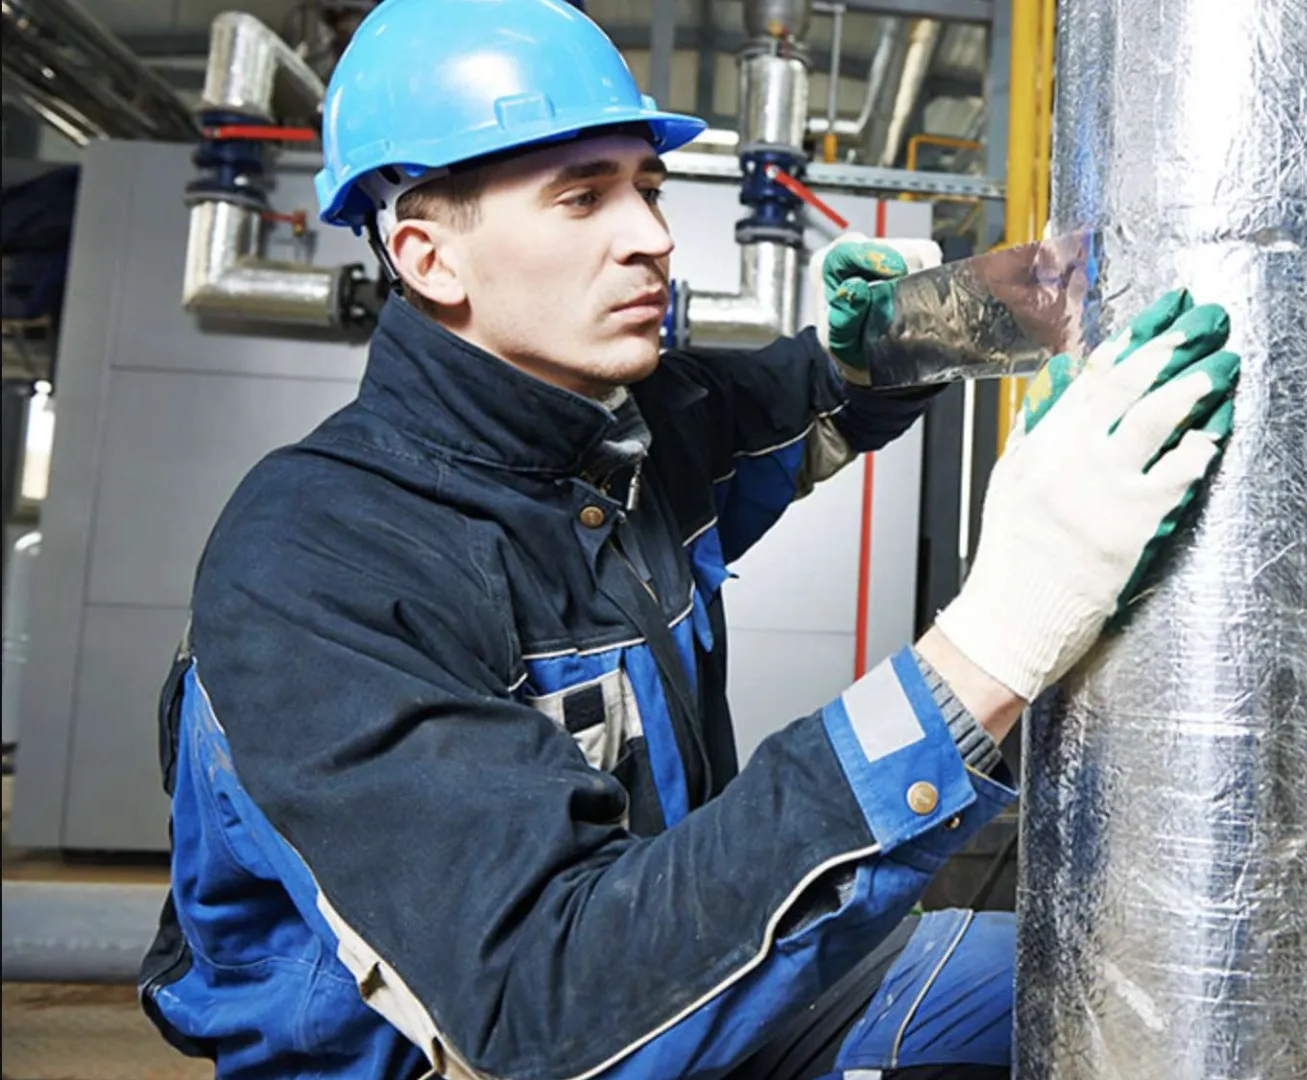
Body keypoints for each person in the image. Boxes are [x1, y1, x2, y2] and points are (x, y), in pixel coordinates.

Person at [137, 1, 1240, 1077]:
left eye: (648, 188)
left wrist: (958, 318)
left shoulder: (625, 435)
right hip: (534, 1040)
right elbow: (544, 1008)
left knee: (1126, 982)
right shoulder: (317, 566)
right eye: (583, 200)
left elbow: (813, 394)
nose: (654, 238)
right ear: (428, 258)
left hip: (693, 984)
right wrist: (1006, 633)